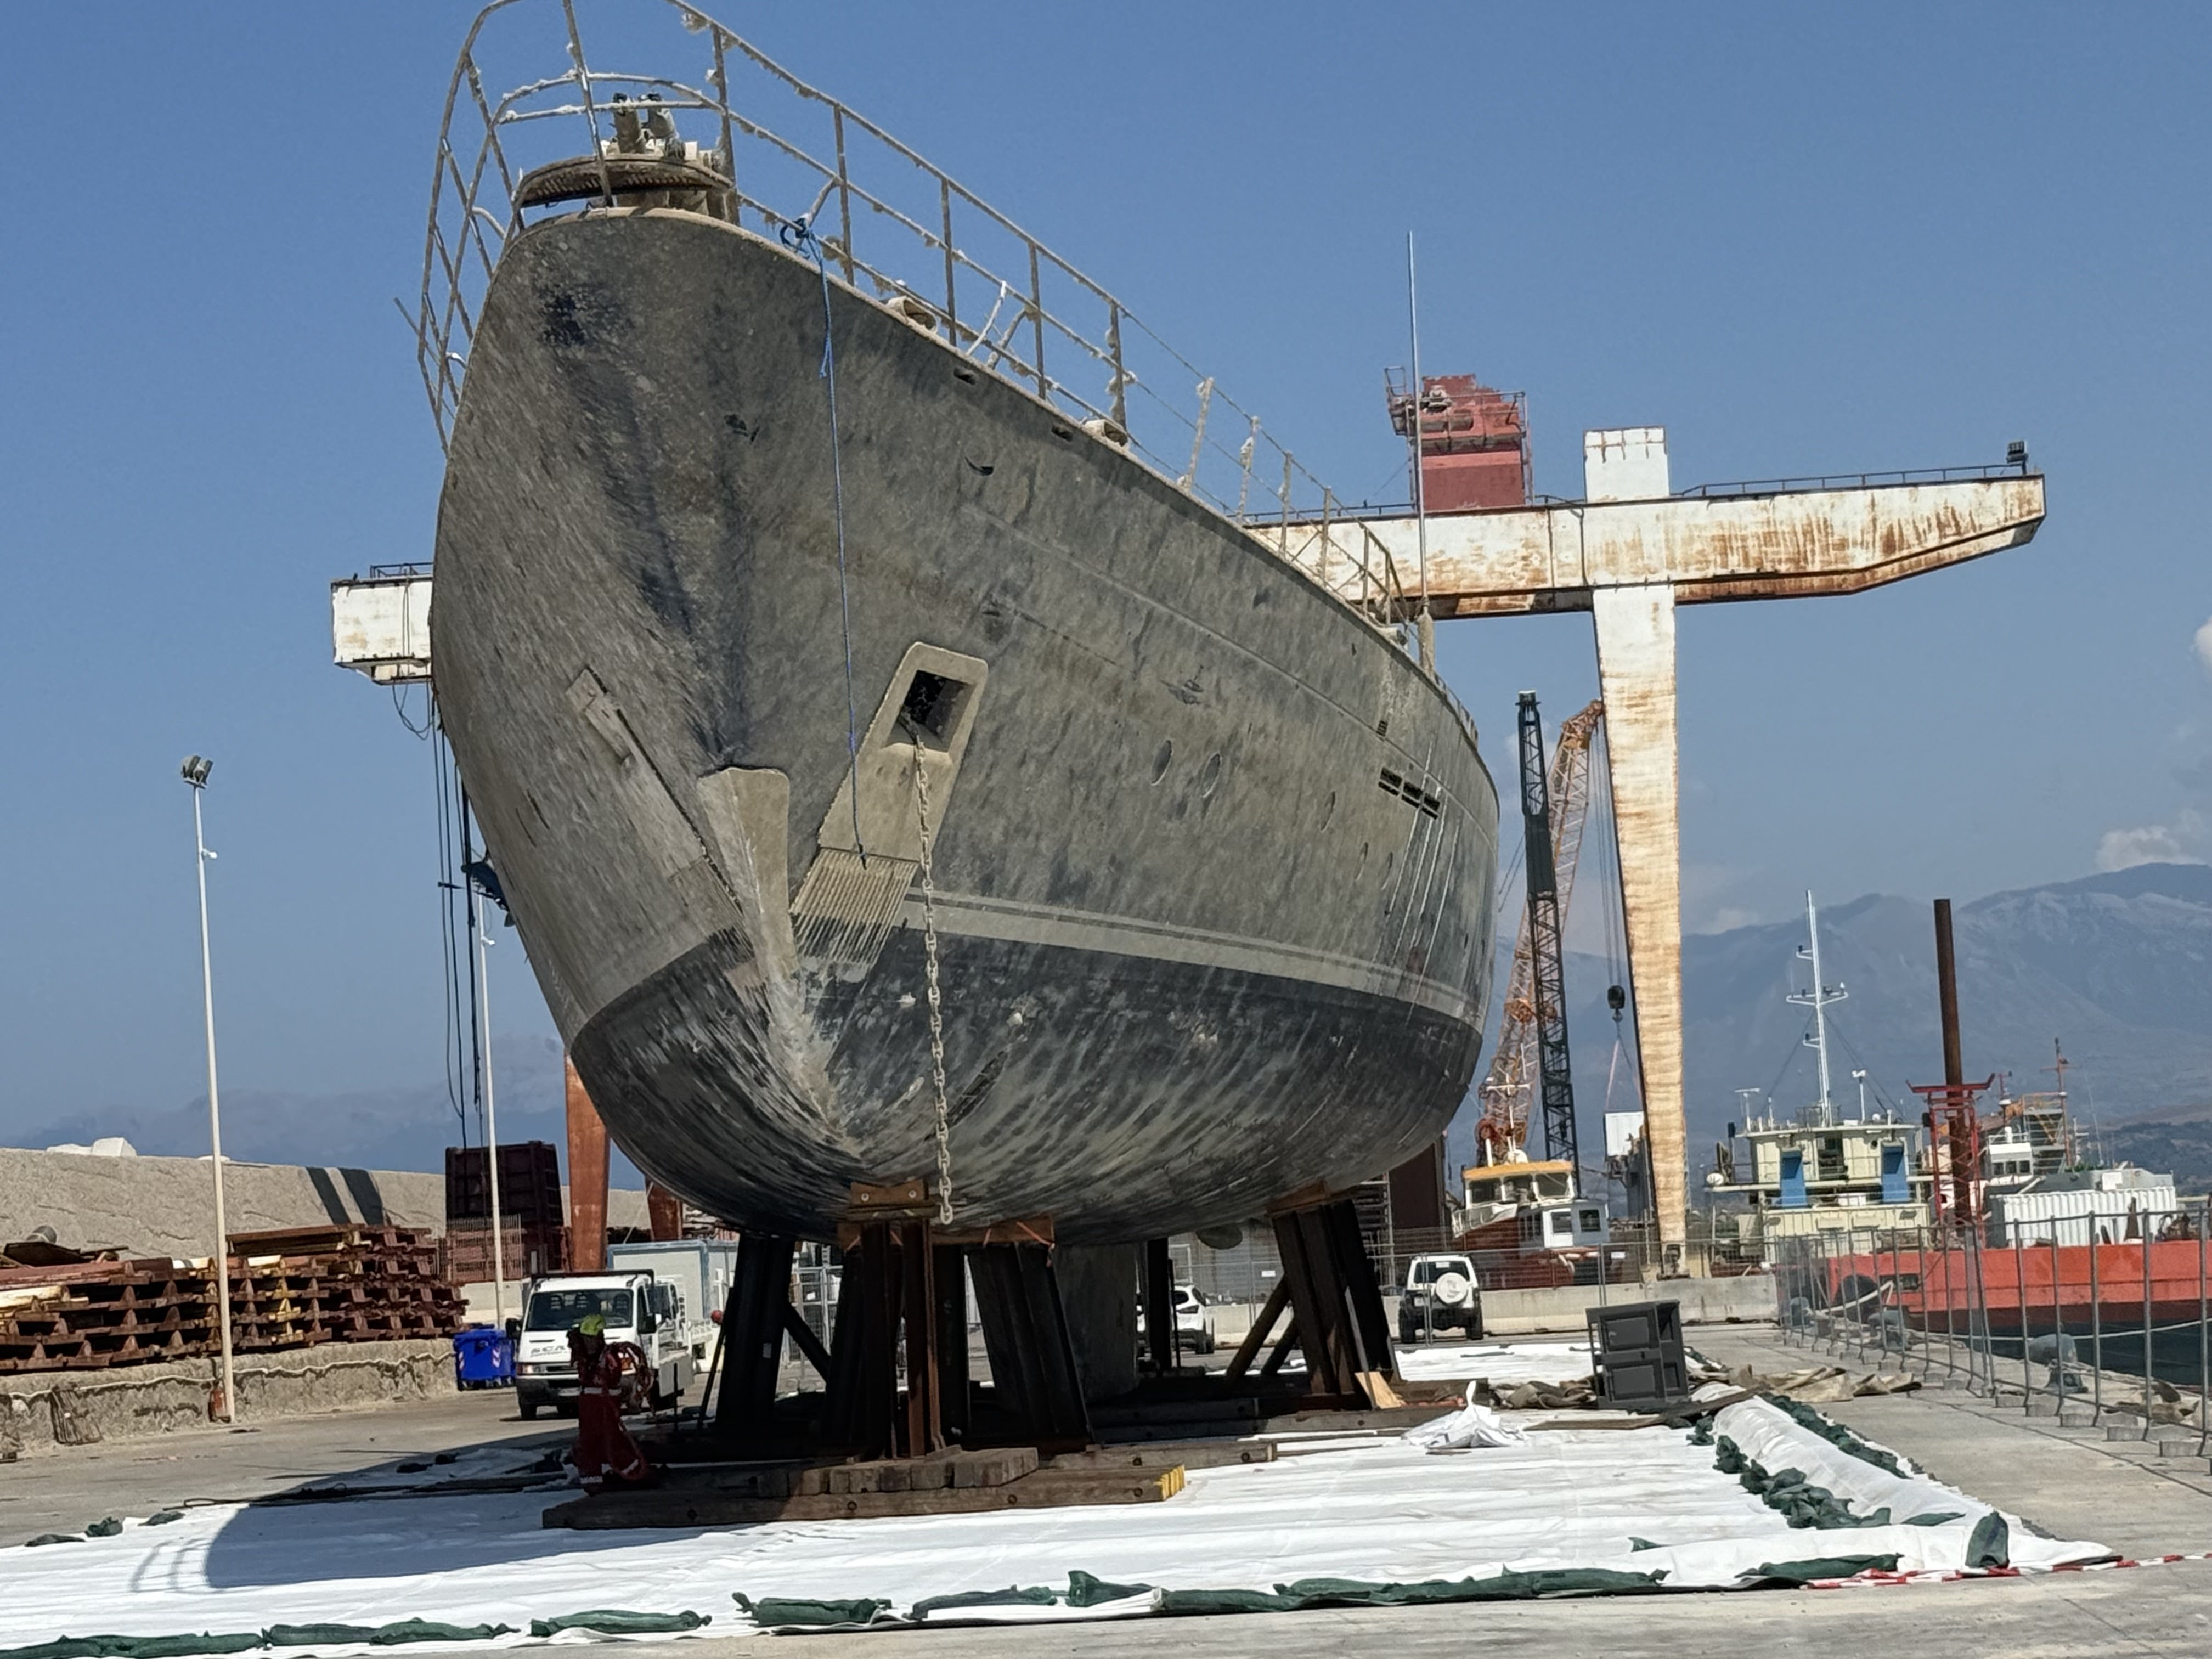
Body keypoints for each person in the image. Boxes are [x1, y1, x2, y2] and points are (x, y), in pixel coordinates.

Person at [568, 1313, 651, 1492]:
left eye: (591, 1339)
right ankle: (594, 1483)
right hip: (589, 1409)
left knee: (612, 1442)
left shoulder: (609, 1357)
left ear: (599, 1338)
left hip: (604, 1407)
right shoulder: (585, 1357)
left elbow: (612, 1379)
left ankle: (637, 1474)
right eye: (585, 1339)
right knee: (590, 1445)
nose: (588, 1344)